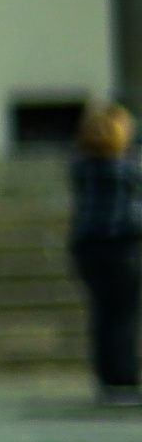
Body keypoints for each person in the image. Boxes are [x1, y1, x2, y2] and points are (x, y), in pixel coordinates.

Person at [73, 102, 142, 407]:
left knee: (103, 315)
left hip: (88, 248)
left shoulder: (81, 168)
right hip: (122, 247)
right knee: (123, 316)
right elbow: (132, 213)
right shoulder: (128, 169)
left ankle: (107, 378)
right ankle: (123, 378)